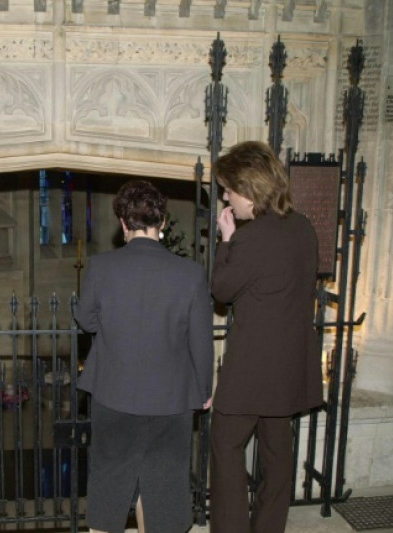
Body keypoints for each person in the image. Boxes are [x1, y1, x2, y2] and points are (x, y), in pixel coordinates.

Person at [75, 179, 215, 533]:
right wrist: (204, 389)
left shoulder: (101, 266)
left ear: (123, 222)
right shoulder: (191, 274)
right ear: (162, 222)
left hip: (114, 393)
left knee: (109, 481)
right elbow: (201, 340)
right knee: (162, 486)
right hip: (171, 399)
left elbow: (85, 318)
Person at [208, 141, 321, 533]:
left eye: (228, 189)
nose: (226, 197)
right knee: (277, 454)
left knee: (225, 446)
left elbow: (222, 290)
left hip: (252, 368)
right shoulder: (303, 228)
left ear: (249, 189)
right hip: (290, 364)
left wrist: (226, 239)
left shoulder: (251, 237)